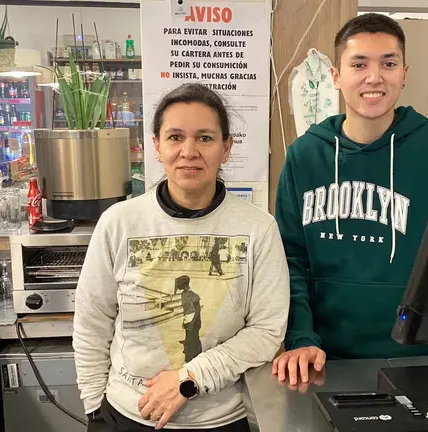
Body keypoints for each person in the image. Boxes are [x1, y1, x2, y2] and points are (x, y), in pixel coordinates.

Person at [272, 13, 428, 385]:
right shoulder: (304, 156)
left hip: (412, 361)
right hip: (318, 360)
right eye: (359, 64)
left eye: (388, 64)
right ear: (336, 76)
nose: (374, 77)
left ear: (404, 73)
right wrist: (300, 336)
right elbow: (289, 261)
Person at [73, 82, 289, 432]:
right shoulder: (119, 222)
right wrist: (94, 406)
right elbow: (91, 322)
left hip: (222, 421)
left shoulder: (259, 229)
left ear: (226, 148)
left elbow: (266, 332)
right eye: (175, 137)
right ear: (156, 146)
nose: (189, 151)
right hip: (125, 416)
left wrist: (189, 379)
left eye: (205, 138)